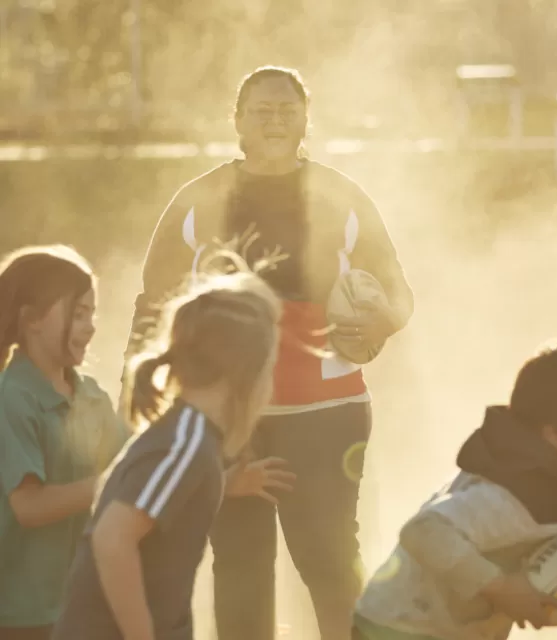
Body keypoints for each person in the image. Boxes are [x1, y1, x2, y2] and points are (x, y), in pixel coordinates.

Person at [124, 65, 414, 640]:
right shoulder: (198, 199)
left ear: (306, 119)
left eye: (287, 109)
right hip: (230, 418)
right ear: (237, 122)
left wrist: (377, 320)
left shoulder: (342, 195)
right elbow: (152, 304)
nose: (275, 120)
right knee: (240, 572)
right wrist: (136, 396)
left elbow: (399, 296)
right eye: (262, 110)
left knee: (332, 566)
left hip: (326, 414)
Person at [52, 264, 282, 640]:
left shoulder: (188, 441)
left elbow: (151, 503)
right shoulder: (186, 443)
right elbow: (112, 536)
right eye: (270, 370)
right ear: (246, 374)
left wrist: (222, 484)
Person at [353, 343, 557, 640]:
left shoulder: (546, 487)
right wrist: (502, 588)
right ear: (555, 434)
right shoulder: (509, 493)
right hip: (399, 630)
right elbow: (423, 530)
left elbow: (532, 568)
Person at [0, 245, 129, 640]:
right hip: (21, 613)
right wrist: (109, 483)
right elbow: (29, 506)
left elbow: (136, 467)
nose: (90, 327)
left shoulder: (92, 397)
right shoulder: (12, 398)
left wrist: (224, 478)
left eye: (92, 314)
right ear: (31, 319)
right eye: (77, 314)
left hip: (82, 604)